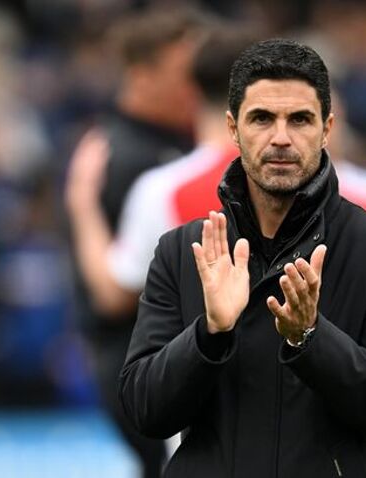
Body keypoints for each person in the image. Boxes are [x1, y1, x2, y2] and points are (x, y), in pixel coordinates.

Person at [119, 38, 366, 478]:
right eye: (262, 118)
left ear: (327, 128)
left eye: (299, 119)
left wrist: (311, 338)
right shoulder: (182, 250)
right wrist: (209, 334)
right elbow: (145, 411)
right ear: (233, 128)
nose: (281, 138)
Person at [65, 8, 209, 477]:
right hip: (141, 355)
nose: (200, 84)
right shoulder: (125, 157)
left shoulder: (184, 144)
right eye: (187, 72)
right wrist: (82, 208)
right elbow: (114, 294)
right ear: (141, 75)